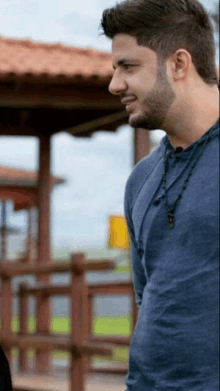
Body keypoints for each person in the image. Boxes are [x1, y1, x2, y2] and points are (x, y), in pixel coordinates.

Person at [100, 0, 219, 390]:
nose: (114, 84)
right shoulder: (141, 179)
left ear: (179, 64)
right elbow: (147, 296)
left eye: (128, 66)